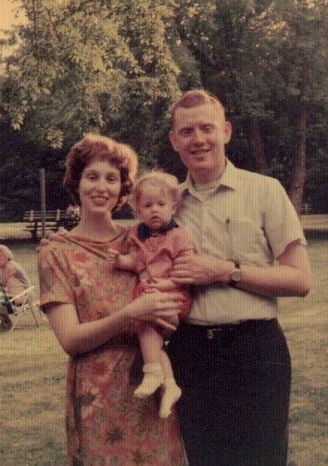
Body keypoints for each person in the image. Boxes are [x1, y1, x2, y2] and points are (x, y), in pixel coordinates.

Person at [165, 89, 312, 466]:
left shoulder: (265, 191)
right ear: (174, 141)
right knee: (204, 458)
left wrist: (226, 272)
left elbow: (300, 280)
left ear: (226, 131)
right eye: (187, 132)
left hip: (255, 349)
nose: (198, 139)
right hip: (190, 351)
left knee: (261, 458)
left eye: (206, 128)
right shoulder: (167, 206)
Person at [37, 134, 187, 465]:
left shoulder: (139, 241)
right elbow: (71, 341)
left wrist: (168, 316)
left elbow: (170, 312)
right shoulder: (56, 253)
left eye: (112, 178)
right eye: (92, 177)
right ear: (76, 182)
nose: (101, 187)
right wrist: (131, 313)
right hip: (97, 399)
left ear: (123, 189)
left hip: (151, 392)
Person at [106, 170, 193, 418]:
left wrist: (165, 285)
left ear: (173, 207)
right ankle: (170, 385)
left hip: (173, 296)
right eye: (147, 205)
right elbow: (136, 262)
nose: (154, 210)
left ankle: (152, 372)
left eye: (161, 204)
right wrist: (120, 260)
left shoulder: (178, 237)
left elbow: (186, 270)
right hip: (148, 294)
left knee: (145, 327)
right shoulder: (136, 234)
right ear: (138, 210)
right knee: (151, 336)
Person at [0, 244, 31, 329]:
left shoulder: (11, 266)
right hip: (12, 295)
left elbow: (1, 283)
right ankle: (6, 321)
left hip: (23, 295)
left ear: (7, 256)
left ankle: (7, 321)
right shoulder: (3, 268)